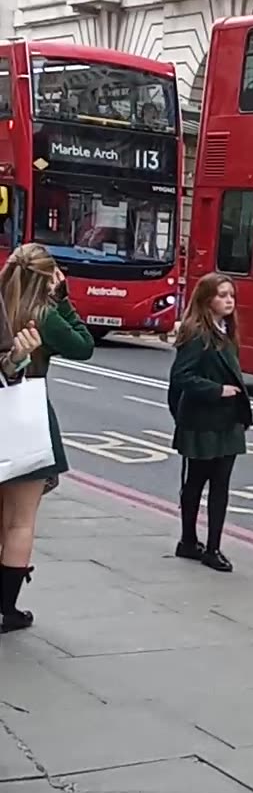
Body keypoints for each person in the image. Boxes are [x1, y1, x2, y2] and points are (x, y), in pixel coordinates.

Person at [0, 244, 95, 630]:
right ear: (49, 277)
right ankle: (7, 608)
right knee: (20, 521)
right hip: (28, 417)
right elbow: (84, 346)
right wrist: (65, 300)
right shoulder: (47, 316)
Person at [168, 273, 252, 573]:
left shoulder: (227, 330)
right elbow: (181, 377)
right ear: (206, 300)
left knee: (221, 486)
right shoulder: (197, 334)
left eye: (231, 295)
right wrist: (217, 390)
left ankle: (213, 547)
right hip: (203, 420)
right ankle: (188, 540)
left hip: (228, 421)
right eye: (222, 295)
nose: (229, 300)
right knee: (196, 483)